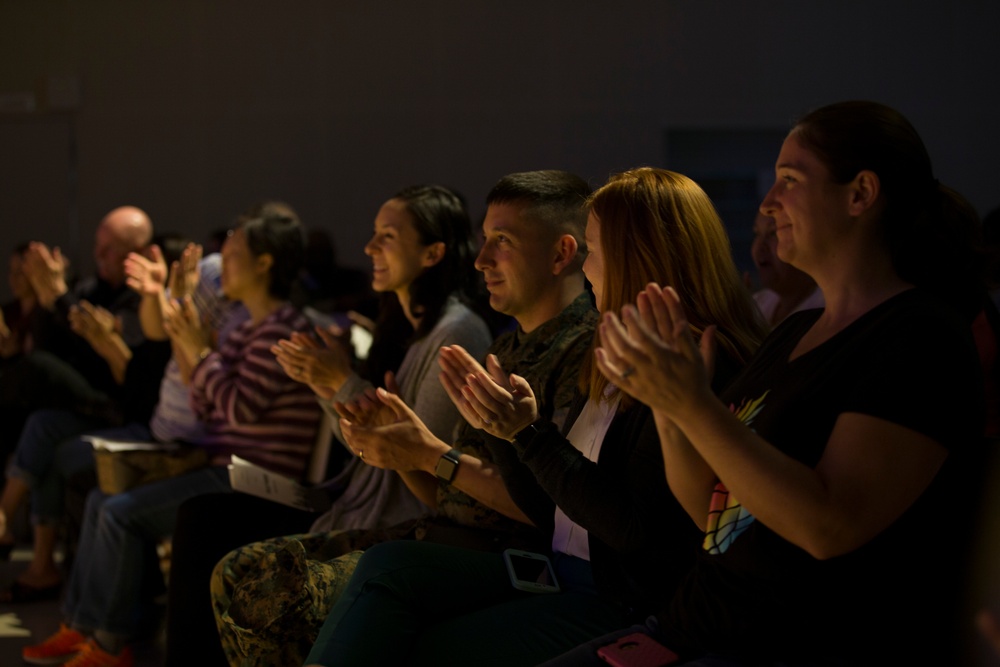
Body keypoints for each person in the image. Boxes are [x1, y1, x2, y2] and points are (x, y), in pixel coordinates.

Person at [547, 101, 988, 666]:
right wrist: (667, 404)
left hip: (784, 642)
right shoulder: (797, 331)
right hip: (693, 625)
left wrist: (693, 404)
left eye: (789, 181)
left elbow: (829, 525)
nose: (767, 203)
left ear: (860, 194)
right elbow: (711, 510)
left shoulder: (920, 336)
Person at [302, 167, 767, 667]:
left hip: (624, 598)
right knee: (386, 569)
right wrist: (505, 430)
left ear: (634, 256)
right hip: (566, 570)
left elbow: (634, 533)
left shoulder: (689, 357)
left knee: (423, 641)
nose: (587, 268)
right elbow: (559, 516)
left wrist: (524, 433)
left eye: (594, 250)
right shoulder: (611, 347)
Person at [210, 170, 598, 666]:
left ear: (562, 254)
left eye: (503, 242)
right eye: (484, 241)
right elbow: (443, 490)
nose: (483, 260)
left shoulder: (575, 350)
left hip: (502, 555)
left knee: (269, 588)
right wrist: (400, 449)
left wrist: (424, 451)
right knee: (238, 572)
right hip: (442, 531)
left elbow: (553, 510)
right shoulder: (504, 345)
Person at [162, 185, 492, 665]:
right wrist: (325, 383)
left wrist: (337, 380)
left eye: (386, 237)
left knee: (207, 527)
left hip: (398, 517)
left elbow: (412, 452)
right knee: (201, 517)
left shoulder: (457, 333)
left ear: (433, 253)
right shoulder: (406, 327)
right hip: (346, 494)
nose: (369, 248)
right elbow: (361, 440)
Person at [21, 211, 323, 667]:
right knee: (106, 500)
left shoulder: (284, 328)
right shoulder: (245, 328)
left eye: (235, 255)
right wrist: (194, 348)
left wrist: (198, 351)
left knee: (120, 514)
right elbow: (207, 403)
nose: (223, 264)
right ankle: (82, 627)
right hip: (224, 464)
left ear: (264, 264)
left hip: (256, 479)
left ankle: (110, 644)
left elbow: (235, 408)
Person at [749, 211, 823, 327]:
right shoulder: (759, 303)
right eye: (757, 233)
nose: (759, 247)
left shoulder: (822, 312)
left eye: (773, 233)